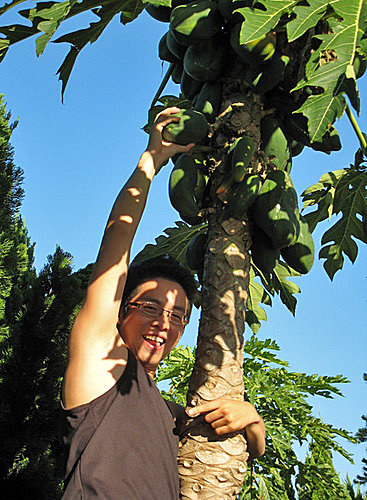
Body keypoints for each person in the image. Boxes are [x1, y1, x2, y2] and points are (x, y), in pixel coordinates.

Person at [61, 107, 265, 499]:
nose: (163, 322)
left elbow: (239, 449)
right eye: (150, 307)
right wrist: (150, 163)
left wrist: (254, 424)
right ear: (121, 312)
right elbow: (115, 250)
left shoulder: (168, 412)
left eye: (177, 315)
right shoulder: (100, 369)